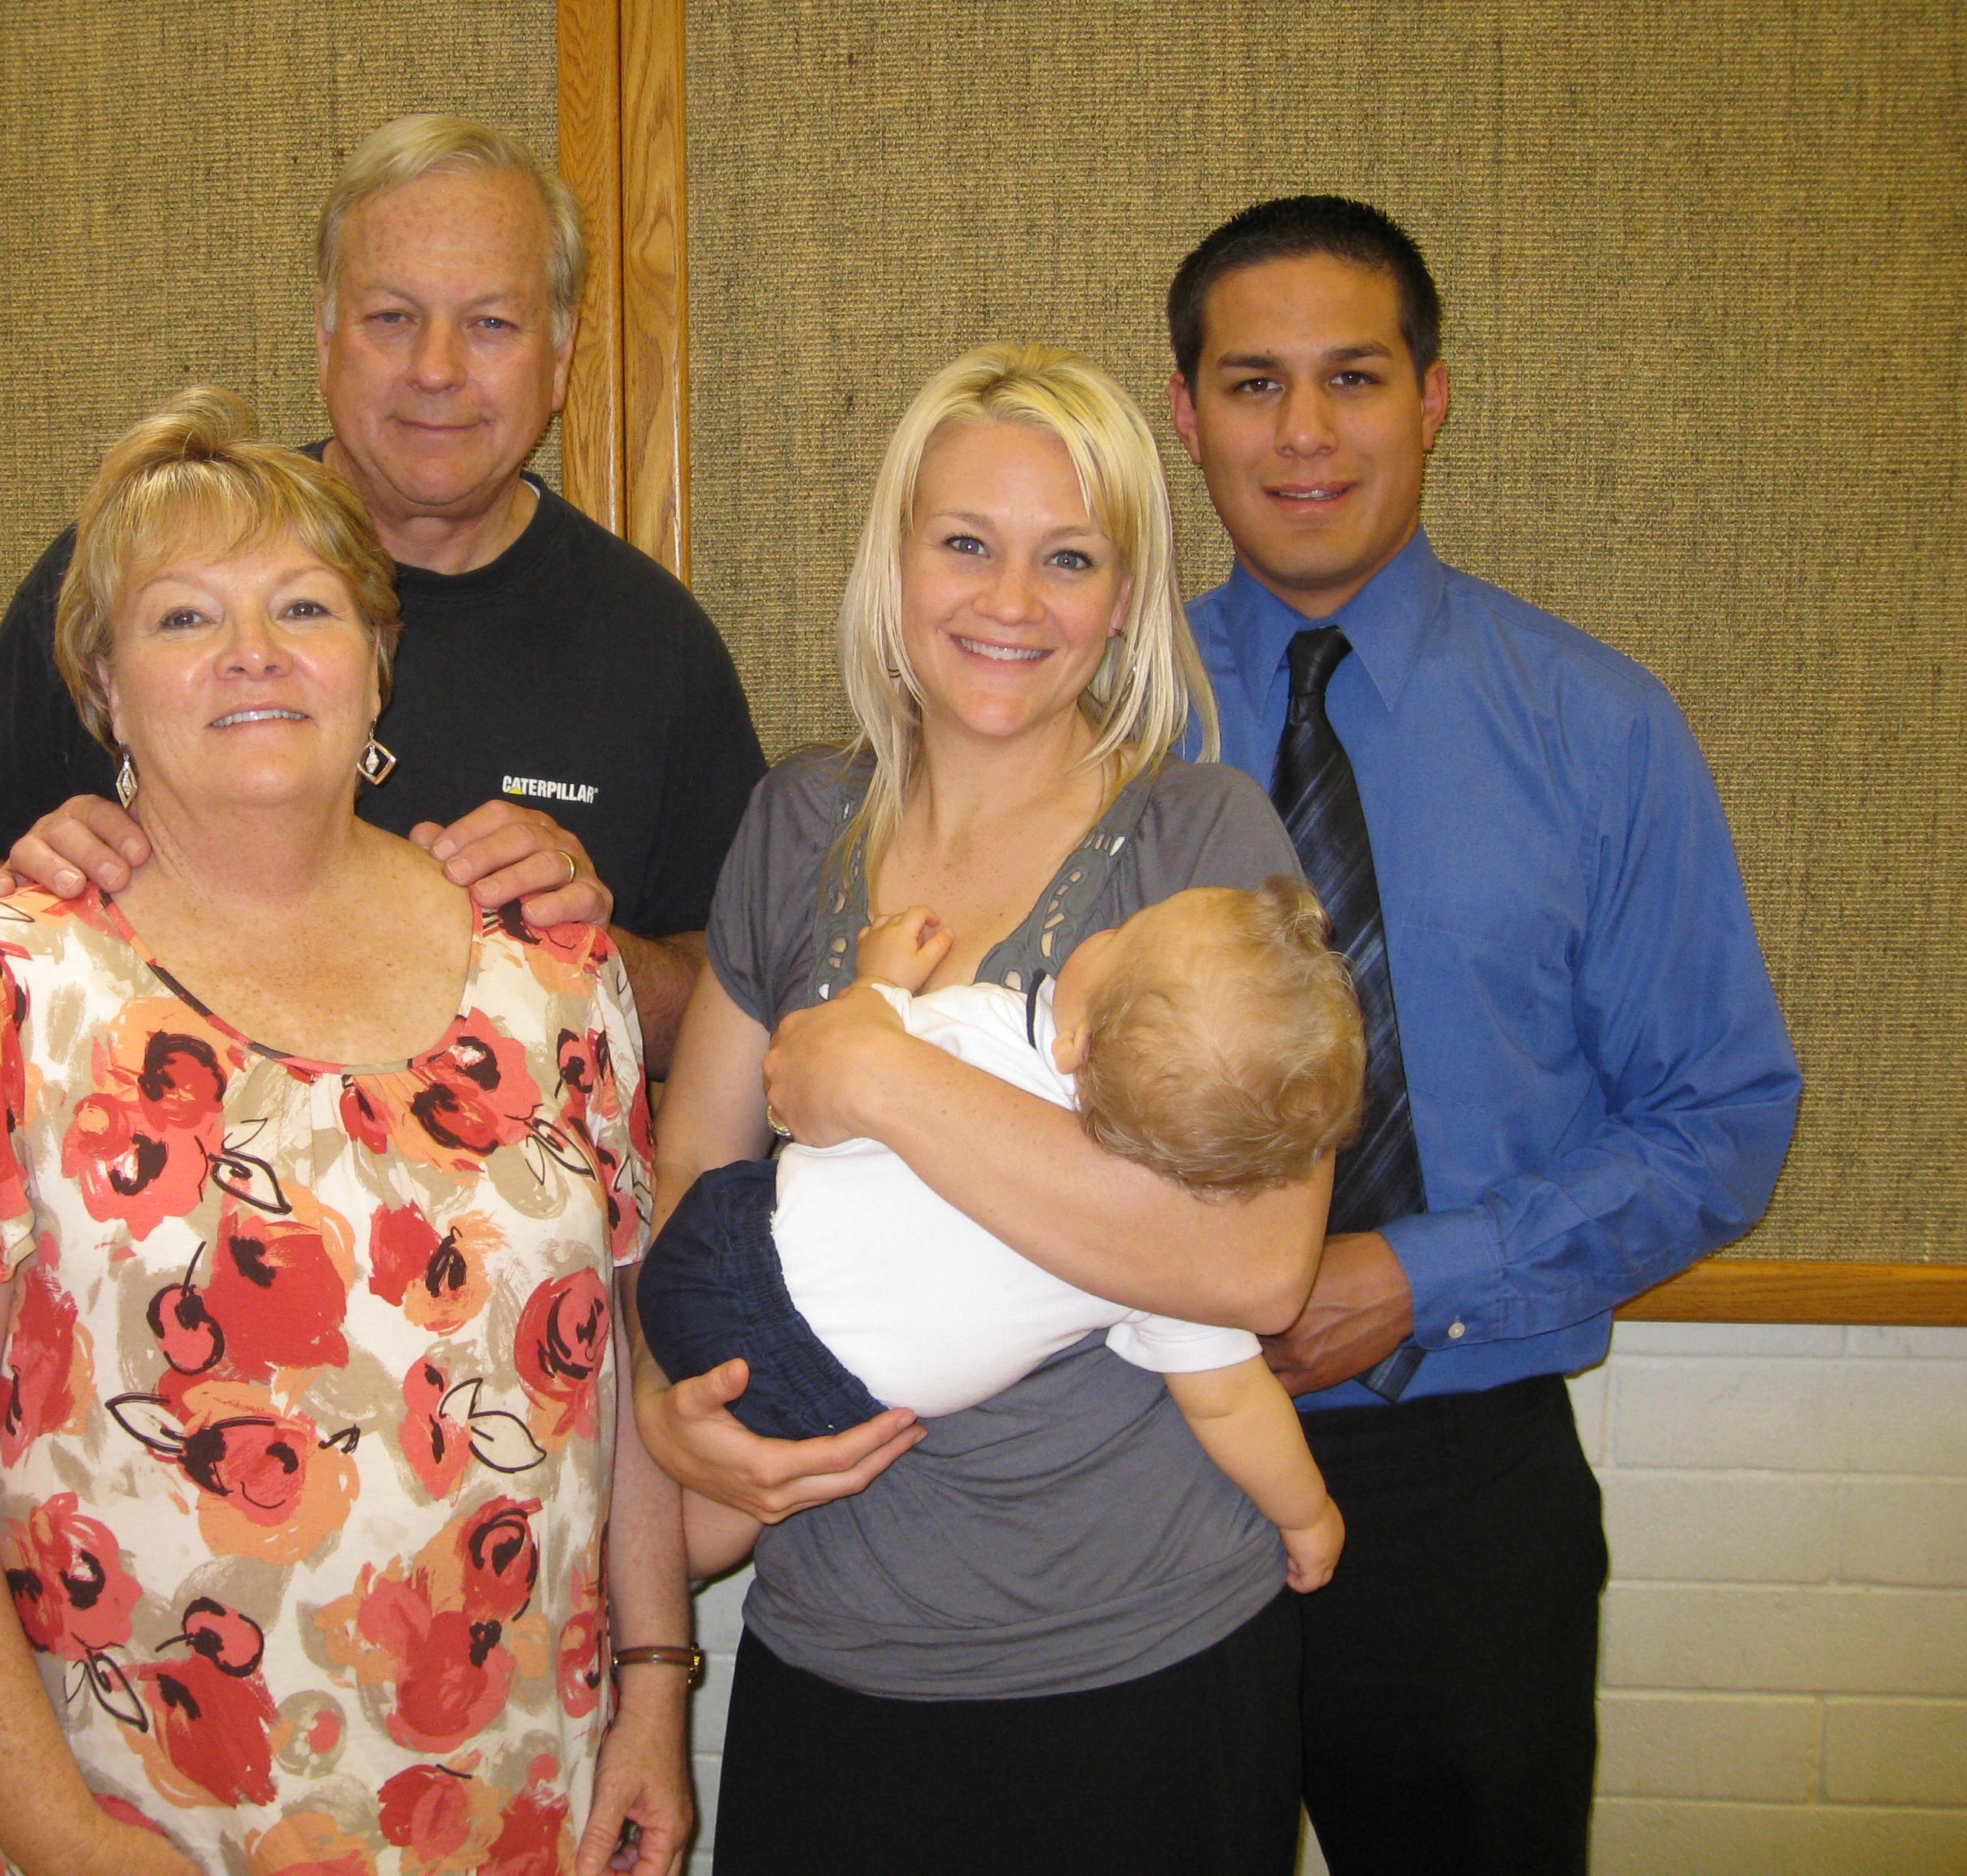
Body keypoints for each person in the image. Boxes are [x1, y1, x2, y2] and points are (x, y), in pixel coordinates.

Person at [0, 386, 692, 1876]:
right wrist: (58, 1836)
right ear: (103, 684)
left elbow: (618, 1370)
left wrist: (658, 1690)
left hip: (527, 1809)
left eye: (302, 605)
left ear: (375, 659)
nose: (252, 652)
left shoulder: (550, 972)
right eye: (183, 616)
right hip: (155, 1832)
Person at [1161, 197, 1803, 1874]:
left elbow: (1722, 1116)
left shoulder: (1597, 728)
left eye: (1353, 378)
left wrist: (1416, 1269)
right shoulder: (1107, 720)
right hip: (1133, 1462)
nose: (1303, 434)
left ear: (1432, 397)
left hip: (1461, 1480)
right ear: (1186, 415)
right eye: (1251, 384)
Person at [634, 343, 1335, 1875]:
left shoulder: (1200, 841)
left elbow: (1254, 1265)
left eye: (1067, 557)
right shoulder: (796, 823)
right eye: (965, 542)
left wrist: (883, 1077)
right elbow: (689, 1181)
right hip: (836, 1646)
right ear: (895, 561)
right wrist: (668, 1418)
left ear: (1125, 596)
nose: (1010, 600)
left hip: (1147, 1655)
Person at [0, 113, 765, 1071]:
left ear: (558, 358)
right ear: (325, 334)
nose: (436, 370)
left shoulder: (653, 644)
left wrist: (580, 951)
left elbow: (743, 1010)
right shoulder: (139, 576)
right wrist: (21, 909)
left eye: (490, 324)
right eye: (392, 318)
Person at [634, 881, 1358, 1596]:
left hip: (722, 1256)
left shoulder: (990, 1025)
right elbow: (1232, 1403)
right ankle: (688, 1553)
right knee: (748, 1487)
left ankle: (653, 1571)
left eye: (1118, 937)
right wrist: (1307, 1513)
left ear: (1075, 1045)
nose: (1101, 931)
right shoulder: (1163, 1254)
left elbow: (832, 1060)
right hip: (834, 1402)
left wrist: (880, 979)